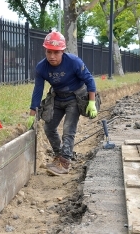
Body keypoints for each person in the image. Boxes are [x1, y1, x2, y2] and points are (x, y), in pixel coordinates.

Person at [27, 31, 98, 176]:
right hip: (58, 97)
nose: (52, 56)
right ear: (45, 51)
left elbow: (90, 80)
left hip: (75, 97)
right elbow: (38, 90)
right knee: (49, 127)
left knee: (68, 129)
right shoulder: (41, 68)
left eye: (56, 52)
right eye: (49, 52)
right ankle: (59, 155)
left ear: (63, 51)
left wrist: (92, 102)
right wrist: (32, 114)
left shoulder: (74, 62)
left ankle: (65, 162)